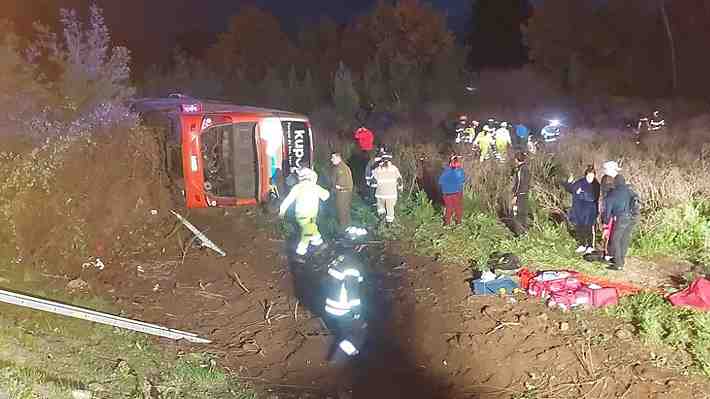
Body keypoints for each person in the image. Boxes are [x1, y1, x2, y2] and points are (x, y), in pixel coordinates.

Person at [323, 250, 366, 359]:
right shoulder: (352, 269)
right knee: (354, 331)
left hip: (329, 305)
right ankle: (346, 356)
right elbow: (352, 292)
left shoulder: (339, 260)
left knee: (341, 329)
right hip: (341, 307)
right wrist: (357, 312)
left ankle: (344, 348)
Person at [279, 168, 330, 256]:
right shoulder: (314, 187)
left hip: (302, 214)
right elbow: (326, 195)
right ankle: (301, 250)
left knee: (311, 227)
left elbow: (288, 200)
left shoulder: (297, 187)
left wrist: (282, 211)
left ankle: (317, 242)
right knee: (308, 230)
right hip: (309, 214)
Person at [601, 161, 640, 271]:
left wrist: (605, 226)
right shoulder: (628, 189)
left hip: (621, 217)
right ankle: (621, 260)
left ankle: (618, 264)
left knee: (615, 240)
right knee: (624, 239)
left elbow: (607, 214)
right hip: (633, 217)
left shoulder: (610, 196)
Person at [563, 165, 600, 254]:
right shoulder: (580, 183)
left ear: (594, 176)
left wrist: (581, 193)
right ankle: (582, 244)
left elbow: (592, 197)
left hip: (590, 212)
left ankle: (590, 246)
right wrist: (569, 183)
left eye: (592, 176)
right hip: (579, 211)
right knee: (580, 228)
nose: (590, 178)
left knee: (589, 229)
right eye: (588, 176)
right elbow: (571, 189)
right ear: (585, 175)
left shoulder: (596, 185)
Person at [371, 153, 403, 224]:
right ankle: (389, 224)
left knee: (380, 208)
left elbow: (373, 177)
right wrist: (400, 189)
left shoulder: (378, 169)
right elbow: (399, 179)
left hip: (380, 194)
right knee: (390, 210)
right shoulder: (394, 169)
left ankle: (381, 220)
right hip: (391, 195)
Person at [438, 155, 466, 226]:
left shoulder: (445, 171)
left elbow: (440, 182)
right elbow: (462, 181)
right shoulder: (460, 171)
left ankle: (447, 224)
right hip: (456, 193)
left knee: (449, 209)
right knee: (458, 208)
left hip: (446, 194)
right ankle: (458, 223)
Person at [330, 152, 354, 232]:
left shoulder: (341, 168)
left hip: (342, 193)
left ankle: (343, 229)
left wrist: (336, 186)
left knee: (342, 210)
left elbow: (341, 182)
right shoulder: (342, 167)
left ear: (338, 158)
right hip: (344, 192)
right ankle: (347, 227)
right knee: (345, 210)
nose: (331, 160)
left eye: (333, 158)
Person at [511, 151, 530, 236]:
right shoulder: (526, 168)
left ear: (516, 159)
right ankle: (524, 232)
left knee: (518, 214)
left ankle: (520, 234)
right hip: (525, 193)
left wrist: (515, 195)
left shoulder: (520, 169)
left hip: (520, 194)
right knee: (523, 214)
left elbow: (519, 183)